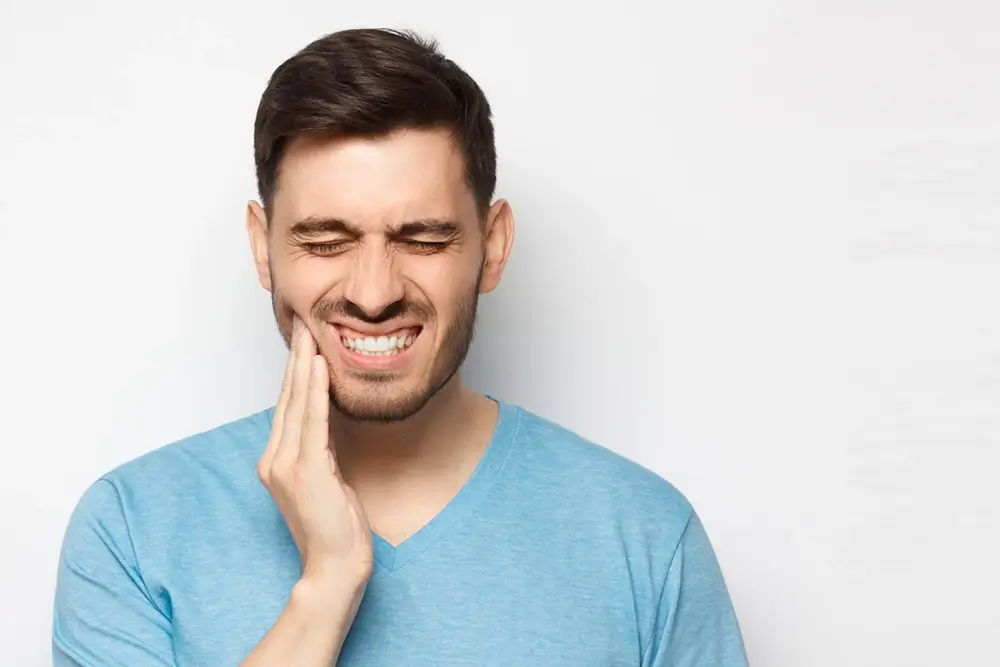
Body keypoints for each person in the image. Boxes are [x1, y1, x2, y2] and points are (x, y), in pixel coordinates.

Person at [52, 28, 749, 666]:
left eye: (423, 239)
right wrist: (326, 586)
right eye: (326, 241)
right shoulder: (132, 531)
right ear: (263, 250)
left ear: (493, 245)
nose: (374, 291)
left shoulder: (647, 539)